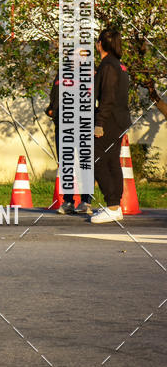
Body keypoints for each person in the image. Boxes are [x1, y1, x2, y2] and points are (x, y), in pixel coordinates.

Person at [90, 28, 131, 223]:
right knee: (112, 161)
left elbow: (107, 98)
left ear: (101, 44)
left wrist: (100, 123)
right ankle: (115, 207)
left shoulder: (108, 66)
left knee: (95, 160)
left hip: (110, 120)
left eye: (97, 42)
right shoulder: (119, 65)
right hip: (120, 119)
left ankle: (113, 205)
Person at [46, 62, 93, 215]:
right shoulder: (61, 73)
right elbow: (55, 95)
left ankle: (86, 201)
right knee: (66, 164)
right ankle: (68, 201)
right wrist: (51, 109)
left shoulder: (89, 73)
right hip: (63, 125)